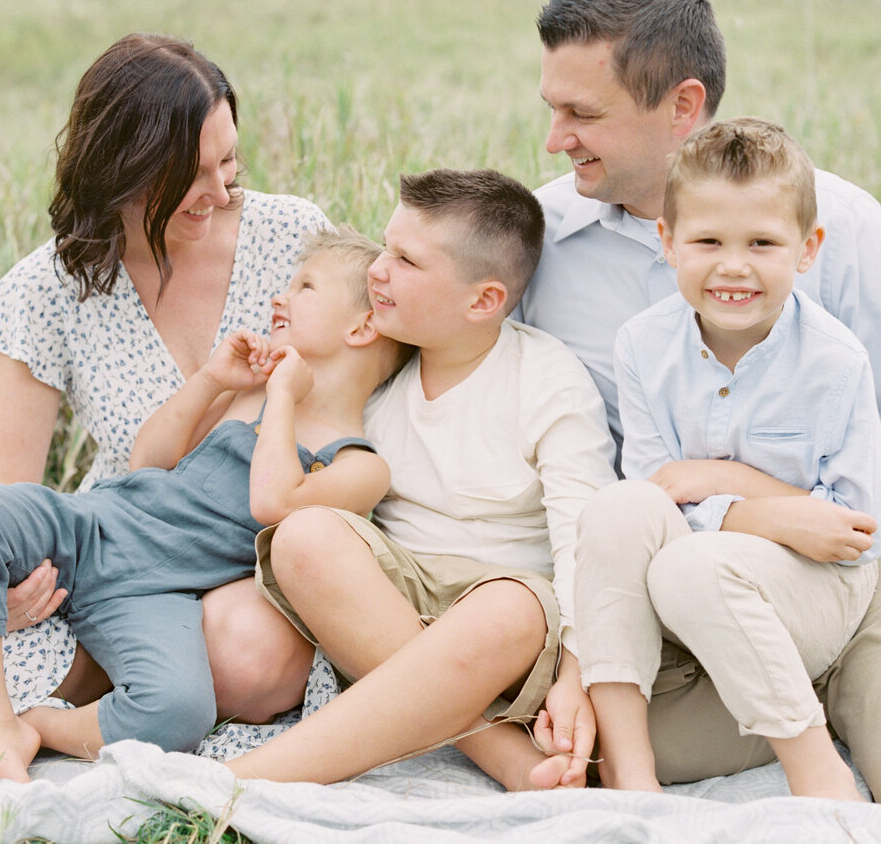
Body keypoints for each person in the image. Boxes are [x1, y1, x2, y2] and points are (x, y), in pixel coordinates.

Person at [517, 0, 881, 806]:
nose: (556, 138)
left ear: (682, 105)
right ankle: (812, 700)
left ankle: (877, 690)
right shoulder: (542, 240)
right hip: (682, 547)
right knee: (589, 746)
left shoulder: (832, 225)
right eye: (553, 107)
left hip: (852, 523)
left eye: (582, 114)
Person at [0, 33, 326, 724]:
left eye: (228, 160)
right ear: (123, 170)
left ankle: (65, 678)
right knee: (3, 639)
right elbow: (1, 489)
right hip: (120, 547)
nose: (220, 190)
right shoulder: (48, 288)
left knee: (253, 665)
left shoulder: (295, 237)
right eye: (189, 174)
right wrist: (8, 594)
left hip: (255, 545)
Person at [0, 227, 408, 783]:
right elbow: (148, 460)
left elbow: (274, 503)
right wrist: (213, 379)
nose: (279, 297)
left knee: (177, 712)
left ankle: (39, 726)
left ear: (362, 326)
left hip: (161, 593)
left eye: (305, 287)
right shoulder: (246, 396)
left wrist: (284, 397)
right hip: (98, 526)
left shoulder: (359, 464)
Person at [224, 168, 617, 791]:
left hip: (501, 623)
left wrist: (577, 671)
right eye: (386, 247)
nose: (377, 270)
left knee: (509, 609)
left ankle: (243, 780)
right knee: (303, 535)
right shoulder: (379, 378)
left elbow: (585, 541)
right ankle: (498, 754)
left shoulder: (546, 380)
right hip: (387, 615)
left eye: (406, 260)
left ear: (483, 300)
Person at [576, 117, 881, 801]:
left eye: (762, 243)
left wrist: (727, 484)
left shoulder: (835, 362)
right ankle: (633, 778)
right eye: (708, 240)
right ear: (668, 242)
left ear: (807, 249)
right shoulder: (641, 345)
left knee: (694, 562)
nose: (733, 265)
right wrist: (776, 511)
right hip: (687, 581)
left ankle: (817, 772)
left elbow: (853, 533)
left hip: (814, 591)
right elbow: (654, 493)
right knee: (616, 509)